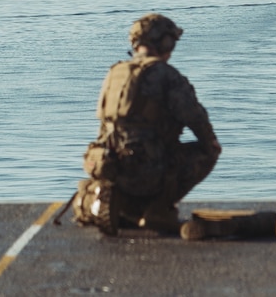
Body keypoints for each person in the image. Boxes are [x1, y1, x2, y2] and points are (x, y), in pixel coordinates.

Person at [73, 13, 221, 236]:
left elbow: (104, 126)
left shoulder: (115, 73)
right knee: (208, 152)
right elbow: (196, 118)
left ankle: (111, 202)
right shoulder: (166, 75)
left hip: (110, 167)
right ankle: (157, 209)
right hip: (147, 171)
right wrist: (210, 142)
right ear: (165, 43)